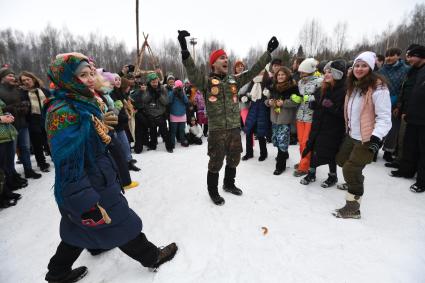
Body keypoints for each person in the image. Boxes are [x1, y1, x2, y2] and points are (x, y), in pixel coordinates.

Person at [43, 53, 177, 282]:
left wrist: (101, 127)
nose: (88, 78)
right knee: (121, 223)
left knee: (78, 228)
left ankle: (58, 272)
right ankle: (152, 256)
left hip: (97, 178)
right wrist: (86, 202)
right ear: (66, 78)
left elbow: (90, 141)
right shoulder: (63, 112)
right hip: (90, 185)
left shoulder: (81, 101)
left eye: (90, 73)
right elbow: (69, 165)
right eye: (81, 75)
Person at [178, 29, 278, 205]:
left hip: (233, 128)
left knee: (234, 158)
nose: (226, 60)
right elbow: (192, 72)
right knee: (216, 161)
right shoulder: (206, 83)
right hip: (217, 130)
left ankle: (229, 184)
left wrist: (267, 53)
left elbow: (253, 71)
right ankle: (213, 191)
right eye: (222, 58)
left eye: (226, 57)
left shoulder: (233, 80)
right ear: (213, 64)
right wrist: (185, 51)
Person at [333, 51, 391, 219]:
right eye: (357, 65)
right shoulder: (354, 86)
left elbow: (385, 118)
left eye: (364, 65)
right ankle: (356, 179)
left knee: (350, 170)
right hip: (353, 134)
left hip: (367, 138)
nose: (359, 69)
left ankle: (353, 208)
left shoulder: (378, 88)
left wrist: (376, 138)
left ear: (371, 68)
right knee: (341, 160)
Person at [300, 60, 347, 187]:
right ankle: (311, 173)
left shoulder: (344, 91)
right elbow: (319, 104)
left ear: (338, 75)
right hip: (318, 125)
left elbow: (344, 113)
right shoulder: (321, 89)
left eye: (330, 72)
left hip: (333, 129)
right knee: (314, 147)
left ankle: (333, 176)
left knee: (330, 152)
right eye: (325, 71)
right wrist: (314, 105)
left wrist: (330, 106)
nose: (326, 74)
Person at [390, 44, 425, 192]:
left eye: (411, 56)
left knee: (423, 149)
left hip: (423, 117)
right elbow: (407, 91)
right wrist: (402, 108)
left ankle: (422, 181)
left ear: (421, 56)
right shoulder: (412, 71)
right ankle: (406, 170)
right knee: (409, 145)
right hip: (412, 115)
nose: (408, 58)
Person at [0, 68, 42, 179]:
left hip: (23, 123)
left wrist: (25, 106)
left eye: (13, 75)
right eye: (9, 75)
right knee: (11, 152)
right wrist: (15, 108)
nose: (13, 77)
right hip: (9, 126)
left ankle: (28, 170)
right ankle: (12, 175)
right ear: (2, 78)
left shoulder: (18, 90)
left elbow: (25, 102)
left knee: (26, 148)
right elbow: (2, 109)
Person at [265, 67, 300, 175]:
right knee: (276, 140)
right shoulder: (273, 87)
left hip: (285, 119)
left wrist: (283, 103)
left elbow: (296, 102)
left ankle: (280, 166)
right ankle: (284, 154)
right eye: (278, 75)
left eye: (283, 74)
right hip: (274, 118)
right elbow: (266, 100)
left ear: (287, 75)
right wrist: (268, 102)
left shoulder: (293, 88)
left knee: (282, 141)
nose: (280, 76)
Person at [378, 47, 410, 162]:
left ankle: (388, 151)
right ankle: (374, 149)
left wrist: (399, 105)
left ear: (398, 55)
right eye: (387, 56)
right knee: (379, 126)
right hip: (382, 102)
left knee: (393, 129)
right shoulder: (382, 70)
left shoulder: (406, 69)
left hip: (396, 103)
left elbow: (406, 88)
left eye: (392, 55)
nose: (388, 58)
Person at [293, 58, 323, 177]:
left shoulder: (319, 81)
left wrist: (310, 98)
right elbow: (302, 96)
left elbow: (321, 98)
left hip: (311, 116)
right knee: (301, 141)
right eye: (300, 72)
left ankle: (304, 166)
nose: (300, 75)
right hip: (301, 115)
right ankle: (303, 160)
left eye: (303, 73)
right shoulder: (301, 82)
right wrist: (298, 99)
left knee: (306, 142)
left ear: (309, 71)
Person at [19, 71, 52, 172]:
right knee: (37, 144)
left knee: (50, 141)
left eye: (27, 79)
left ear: (33, 79)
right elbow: (21, 108)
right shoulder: (22, 94)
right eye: (23, 80)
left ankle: (55, 157)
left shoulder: (44, 90)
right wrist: (24, 106)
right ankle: (42, 164)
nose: (26, 82)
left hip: (47, 119)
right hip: (32, 121)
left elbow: (52, 103)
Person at [242, 70, 270, 162]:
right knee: (249, 132)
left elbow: (272, 95)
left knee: (261, 134)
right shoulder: (252, 82)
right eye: (258, 72)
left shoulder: (267, 82)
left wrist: (268, 95)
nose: (259, 74)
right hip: (253, 110)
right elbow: (246, 94)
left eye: (261, 72)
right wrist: (245, 98)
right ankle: (249, 153)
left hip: (262, 111)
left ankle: (263, 153)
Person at [168, 80, 189, 148]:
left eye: (180, 86)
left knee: (180, 130)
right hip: (174, 114)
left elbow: (186, 101)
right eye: (178, 86)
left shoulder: (182, 92)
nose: (179, 88)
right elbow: (169, 101)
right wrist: (173, 93)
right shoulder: (172, 92)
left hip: (181, 114)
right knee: (173, 131)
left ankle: (181, 141)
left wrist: (182, 93)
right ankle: (172, 143)